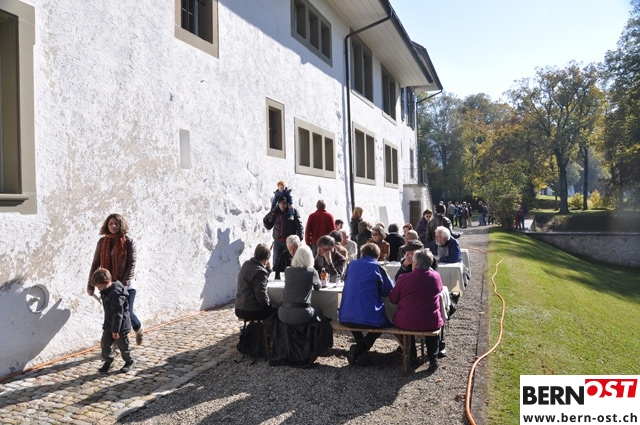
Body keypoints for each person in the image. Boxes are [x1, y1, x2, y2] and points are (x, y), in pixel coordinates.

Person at [87, 213, 143, 345]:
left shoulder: (128, 242)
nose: (113, 226)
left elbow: (131, 264)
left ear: (121, 225)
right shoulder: (102, 242)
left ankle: (138, 328)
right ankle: (116, 347)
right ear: (107, 225)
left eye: (116, 223)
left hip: (126, 285)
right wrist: (90, 285)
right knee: (112, 316)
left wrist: (122, 286)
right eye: (111, 223)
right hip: (107, 286)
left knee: (127, 313)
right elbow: (95, 264)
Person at [339, 243, 394, 366]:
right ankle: (360, 349)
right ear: (377, 256)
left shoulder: (351, 265)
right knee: (384, 323)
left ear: (362, 253)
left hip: (346, 316)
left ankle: (360, 351)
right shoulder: (378, 267)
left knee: (355, 319)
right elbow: (388, 291)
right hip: (369, 317)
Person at [389, 250, 444, 371]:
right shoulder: (436, 276)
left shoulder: (404, 278)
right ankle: (433, 359)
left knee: (402, 324)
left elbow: (393, 299)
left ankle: (412, 355)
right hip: (431, 320)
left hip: (406, 320)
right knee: (431, 329)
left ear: (415, 263)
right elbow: (440, 290)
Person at [91, 268, 135, 374]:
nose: (99, 289)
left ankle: (129, 361)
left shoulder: (117, 295)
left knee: (123, 345)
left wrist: (115, 331)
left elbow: (118, 314)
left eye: (99, 287)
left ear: (107, 282)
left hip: (121, 326)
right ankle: (109, 361)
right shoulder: (105, 291)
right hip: (109, 324)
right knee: (105, 344)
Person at [278, 246, 322, 326]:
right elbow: (318, 287)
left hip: (283, 313)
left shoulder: (287, 270)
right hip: (303, 314)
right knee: (319, 310)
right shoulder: (311, 271)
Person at [235, 244, 277, 321]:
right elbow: (261, 298)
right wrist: (271, 305)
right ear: (266, 259)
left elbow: (259, 279)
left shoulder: (246, 264)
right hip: (251, 310)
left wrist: (267, 270)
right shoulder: (260, 272)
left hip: (238, 308)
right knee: (277, 310)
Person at [263, 196, 303, 273]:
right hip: (277, 241)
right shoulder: (275, 212)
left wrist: (299, 239)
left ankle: (290, 275)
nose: (283, 205)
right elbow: (267, 223)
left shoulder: (292, 212)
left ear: (287, 204)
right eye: (281, 203)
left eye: (284, 203)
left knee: (289, 260)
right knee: (276, 261)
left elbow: (299, 226)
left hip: (289, 241)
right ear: (278, 204)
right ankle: (276, 277)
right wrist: (272, 213)